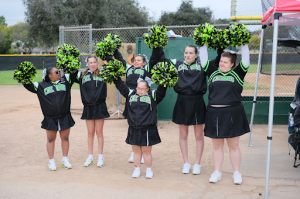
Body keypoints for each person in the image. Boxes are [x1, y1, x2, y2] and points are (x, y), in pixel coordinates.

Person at [152, 46, 222, 175]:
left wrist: (219, 46)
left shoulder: (203, 65)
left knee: (198, 135)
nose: (188, 55)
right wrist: (157, 45)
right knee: (183, 135)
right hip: (182, 101)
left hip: (197, 101)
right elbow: (161, 59)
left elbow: (218, 60)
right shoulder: (177, 64)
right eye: (186, 53)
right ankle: (186, 163)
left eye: (191, 53)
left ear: (196, 55)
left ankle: (197, 164)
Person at [199, 43, 250, 184]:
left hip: (232, 112)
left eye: (225, 62)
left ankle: (237, 173)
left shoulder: (238, 73)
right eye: (221, 61)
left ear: (232, 64)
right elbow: (203, 60)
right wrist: (202, 43)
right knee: (217, 146)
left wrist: (244, 44)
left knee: (233, 146)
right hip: (214, 113)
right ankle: (217, 172)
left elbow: (246, 59)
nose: (222, 64)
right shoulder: (213, 72)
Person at [107, 49, 161, 163]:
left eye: (138, 60)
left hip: (143, 97)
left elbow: (153, 61)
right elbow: (120, 60)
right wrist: (114, 50)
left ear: (144, 63)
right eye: (135, 60)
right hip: (131, 96)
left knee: (143, 122)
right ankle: (135, 151)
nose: (136, 62)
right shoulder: (129, 68)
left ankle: (142, 154)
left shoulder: (146, 69)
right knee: (131, 121)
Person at [23, 67, 76, 171]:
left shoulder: (66, 81)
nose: (59, 73)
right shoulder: (40, 86)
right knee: (51, 139)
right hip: (50, 118)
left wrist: (69, 64)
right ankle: (51, 161)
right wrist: (24, 74)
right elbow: (27, 84)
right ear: (50, 75)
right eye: (56, 72)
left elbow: (73, 73)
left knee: (65, 138)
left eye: (59, 71)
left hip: (65, 116)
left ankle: (65, 159)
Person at [113, 77, 167, 178]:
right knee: (136, 151)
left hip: (147, 129)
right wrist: (115, 76)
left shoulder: (153, 96)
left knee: (146, 152)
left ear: (148, 89)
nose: (140, 90)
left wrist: (165, 80)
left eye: (142, 88)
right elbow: (121, 85)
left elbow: (162, 91)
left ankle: (148, 170)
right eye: (138, 88)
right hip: (134, 128)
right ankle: (137, 169)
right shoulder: (131, 94)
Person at [74, 55, 110, 167]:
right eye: (90, 62)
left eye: (95, 62)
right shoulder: (82, 75)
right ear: (87, 64)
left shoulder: (103, 74)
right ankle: (90, 156)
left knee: (99, 133)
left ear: (97, 63)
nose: (93, 64)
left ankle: (100, 157)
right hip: (88, 107)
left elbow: (115, 68)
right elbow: (70, 72)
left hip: (100, 106)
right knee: (90, 133)